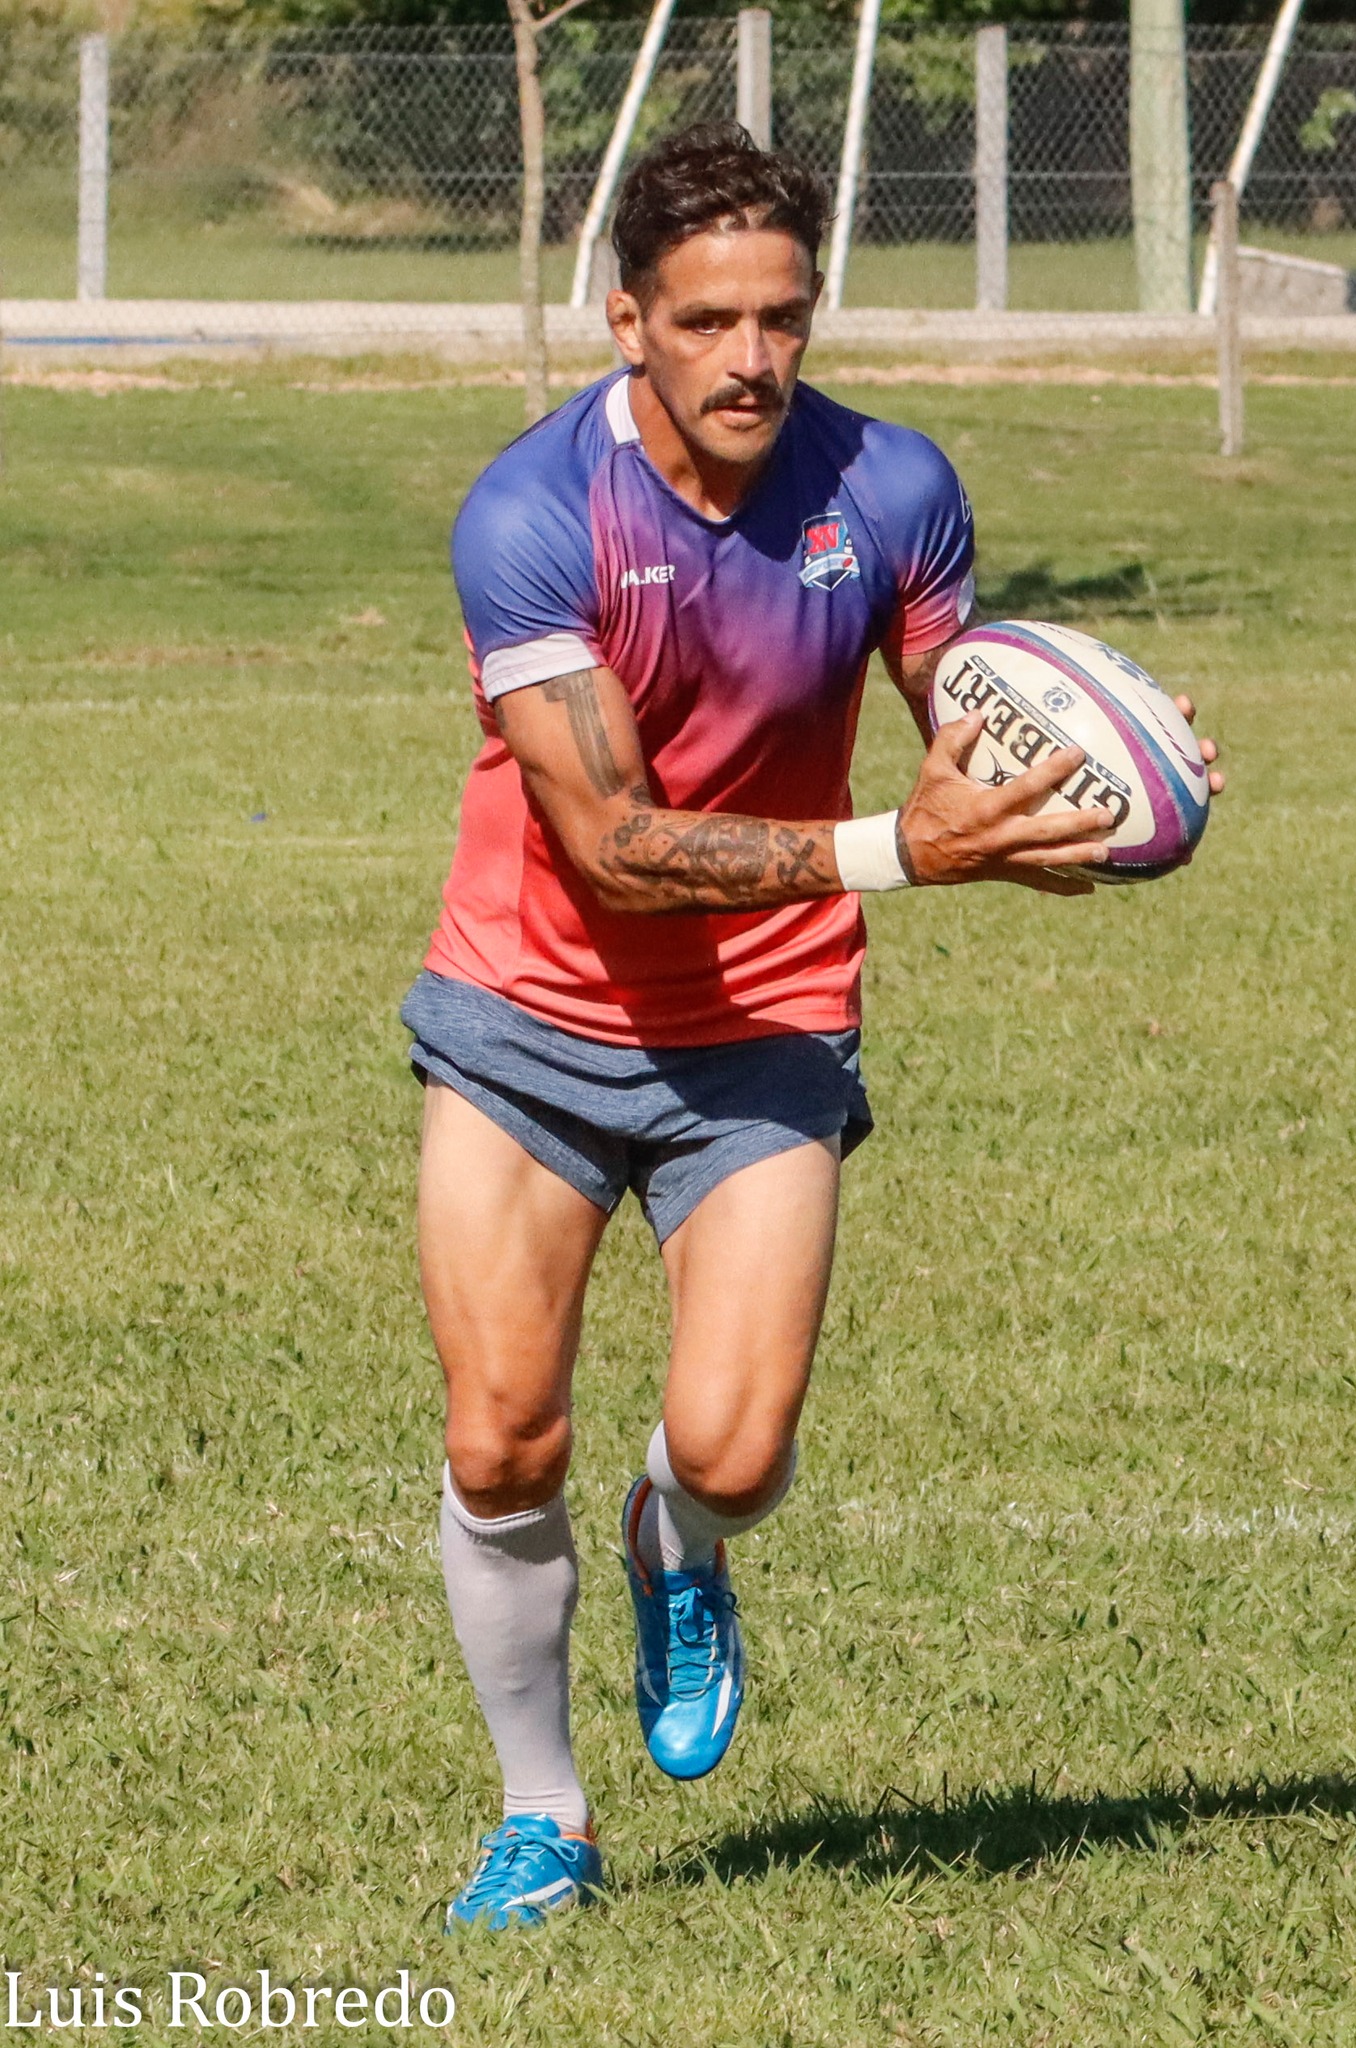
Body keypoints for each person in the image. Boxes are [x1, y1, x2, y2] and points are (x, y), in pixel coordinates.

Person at [401, 121, 1222, 1934]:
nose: (752, 357)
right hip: (529, 1012)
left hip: (765, 1018)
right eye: (707, 320)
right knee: (497, 1440)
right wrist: (897, 852)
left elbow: (963, 735)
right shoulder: (533, 514)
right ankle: (545, 1815)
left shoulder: (894, 488)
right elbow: (610, 851)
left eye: (782, 314)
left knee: (735, 1452)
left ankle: (672, 1546)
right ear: (628, 321)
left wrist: (1102, 771)